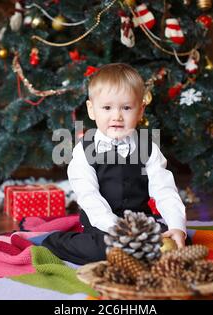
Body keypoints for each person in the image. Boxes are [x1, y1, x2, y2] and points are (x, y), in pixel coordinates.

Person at [42, 63, 190, 265]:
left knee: (177, 243)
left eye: (126, 108)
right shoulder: (84, 151)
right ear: (92, 110)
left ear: (140, 111)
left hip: (139, 224)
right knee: (106, 250)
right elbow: (89, 197)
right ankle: (55, 242)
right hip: (103, 224)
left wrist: (176, 226)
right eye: (107, 108)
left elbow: (165, 190)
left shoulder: (148, 148)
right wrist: (119, 230)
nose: (117, 116)